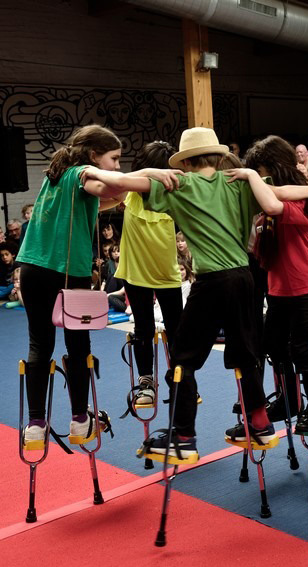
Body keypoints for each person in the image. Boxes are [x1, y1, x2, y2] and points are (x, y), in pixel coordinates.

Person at [85, 127, 308, 459]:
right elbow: (283, 192)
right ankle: (260, 423)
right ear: (217, 155)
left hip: (212, 280)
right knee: (245, 354)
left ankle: (182, 435)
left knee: (182, 358)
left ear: (187, 162)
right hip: (244, 278)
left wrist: (91, 171)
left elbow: (123, 184)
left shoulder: (181, 185)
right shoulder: (237, 182)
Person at [16, 125, 170, 449]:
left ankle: (35, 425)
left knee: (39, 346)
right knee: (78, 347)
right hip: (66, 273)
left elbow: (100, 200)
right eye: (114, 158)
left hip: (31, 269)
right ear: (93, 155)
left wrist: (123, 194)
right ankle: (79, 420)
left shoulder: (55, 177)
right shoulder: (81, 172)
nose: (116, 165)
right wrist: (151, 173)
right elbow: (108, 183)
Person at [237, 135, 308, 435]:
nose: (260, 177)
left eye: (264, 171)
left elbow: (272, 204)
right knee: (273, 346)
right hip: (279, 287)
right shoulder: (283, 193)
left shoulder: (299, 199)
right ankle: (289, 400)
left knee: (301, 348)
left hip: (306, 285)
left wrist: (251, 176)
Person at [116, 140, 184, 406]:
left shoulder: (174, 195)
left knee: (176, 329)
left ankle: (181, 378)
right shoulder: (130, 193)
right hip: (135, 273)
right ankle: (146, 382)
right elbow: (119, 180)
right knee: (142, 328)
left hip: (167, 274)